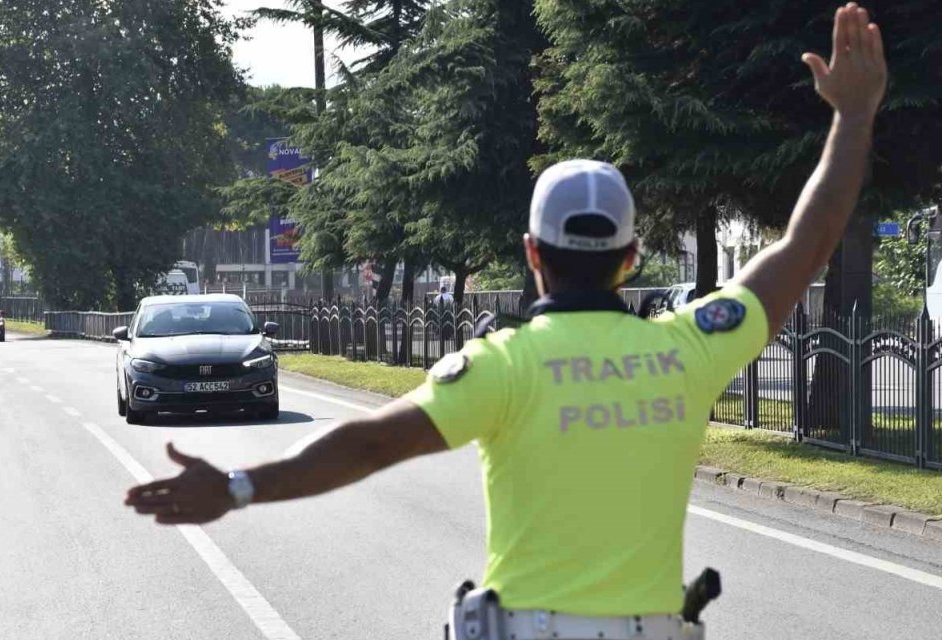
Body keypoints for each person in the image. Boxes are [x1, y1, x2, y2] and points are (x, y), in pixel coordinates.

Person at [125, 3, 886, 636]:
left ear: (531, 253)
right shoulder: (690, 348)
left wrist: (238, 486)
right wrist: (853, 116)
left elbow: (371, 441)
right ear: (631, 257)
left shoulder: (503, 366)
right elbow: (805, 241)